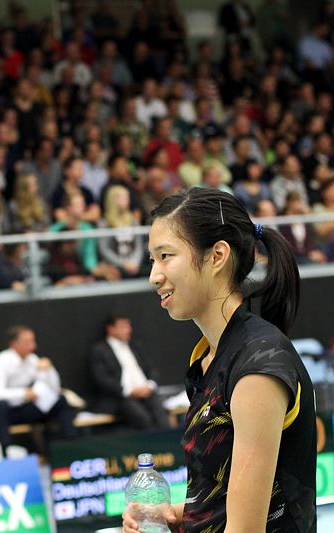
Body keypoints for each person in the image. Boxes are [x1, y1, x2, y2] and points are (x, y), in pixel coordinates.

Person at [124, 187, 316, 532]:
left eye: (166, 256)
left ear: (217, 256)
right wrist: (168, 515)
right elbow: (221, 497)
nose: (154, 275)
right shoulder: (209, 357)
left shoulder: (257, 367)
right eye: (153, 260)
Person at [0, 325, 77, 454]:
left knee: (60, 400)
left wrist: (49, 369)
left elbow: (54, 389)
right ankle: (6, 453)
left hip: (21, 410)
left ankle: (69, 447)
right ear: (14, 344)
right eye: (27, 342)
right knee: (1, 406)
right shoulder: (3, 360)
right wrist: (23, 393)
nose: (32, 346)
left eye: (33, 341)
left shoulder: (32, 359)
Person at [88, 314, 169, 430]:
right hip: (121, 397)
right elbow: (101, 379)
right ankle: (152, 447)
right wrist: (129, 391)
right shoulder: (99, 350)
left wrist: (150, 386)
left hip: (146, 392)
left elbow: (151, 369)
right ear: (110, 329)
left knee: (162, 415)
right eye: (122, 327)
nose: (128, 330)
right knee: (142, 418)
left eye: (128, 326)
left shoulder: (136, 346)